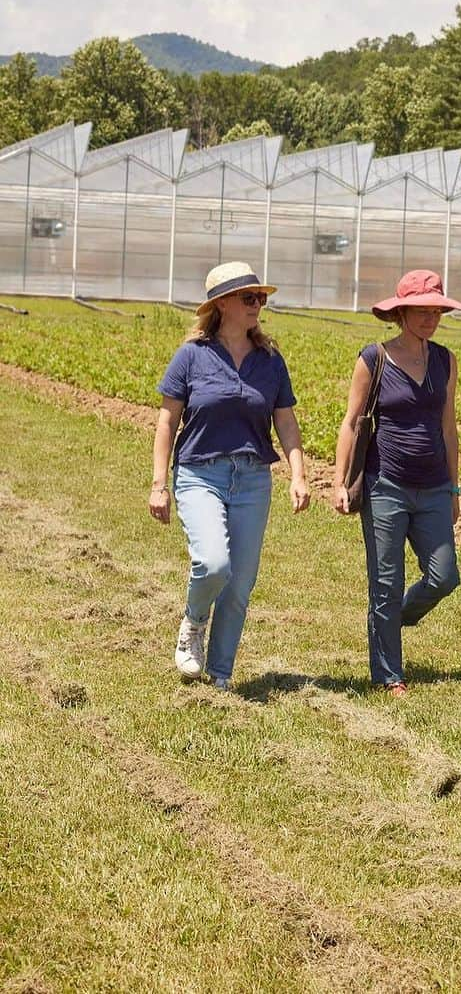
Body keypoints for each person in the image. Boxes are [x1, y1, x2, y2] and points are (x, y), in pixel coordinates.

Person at [150, 261, 310, 690]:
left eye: (260, 297)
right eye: (248, 297)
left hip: (253, 478)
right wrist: (159, 484)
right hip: (200, 472)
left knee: (239, 585)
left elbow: (286, 422)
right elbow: (167, 422)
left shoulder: (270, 360)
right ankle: (194, 621)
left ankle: (220, 676)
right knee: (213, 563)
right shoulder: (192, 356)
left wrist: (298, 474)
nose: (258, 304)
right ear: (221, 304)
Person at [333, 270, 461, 697]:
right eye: (422, 310)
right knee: (384, 582)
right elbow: (352, 422)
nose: (430, 318)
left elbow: (449, 427)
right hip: (384, 485)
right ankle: (389, 674)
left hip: (434, 487)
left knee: (444, 577)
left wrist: (455, 487)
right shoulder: (374, 359)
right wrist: (340, 481)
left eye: (436, 310)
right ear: (401, 312)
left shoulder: (445, 360)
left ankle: (393, 617)